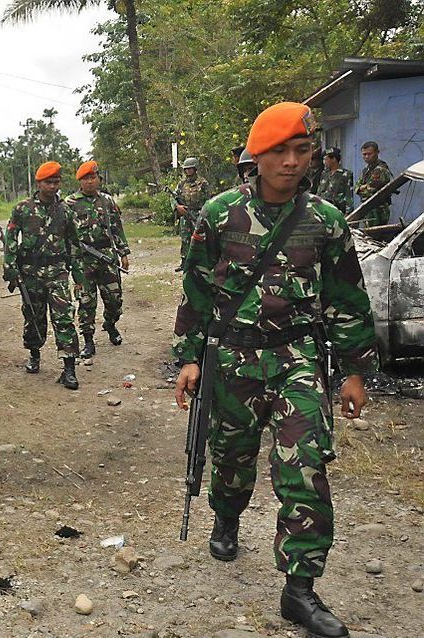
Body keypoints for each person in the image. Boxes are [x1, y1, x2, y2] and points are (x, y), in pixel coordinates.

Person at [173, 101, 377, 638]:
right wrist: (190, 357)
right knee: (233, 456)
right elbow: (196, 289)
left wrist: (354, 370)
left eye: (302, 150)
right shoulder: (218, 215)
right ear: (256, 156)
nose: (291, 162)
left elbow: (347, 300)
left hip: (297, 359)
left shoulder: (327, 223)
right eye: (279, 152)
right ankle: (227, 514)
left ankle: (300, 589)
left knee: (306, 462)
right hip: (234, 359)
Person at [2, 161, 80, 389]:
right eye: (48, 182)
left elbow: (73, 243)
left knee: (64, 317)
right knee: (34, 317)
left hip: (57, 273)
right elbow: (10, 241)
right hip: (30, 273)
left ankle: (69, 368)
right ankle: (34, 355)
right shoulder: (22, 208)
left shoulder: (65, 210)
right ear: (38, 183)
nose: (53, 186)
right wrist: (11, 270)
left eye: (56, 182)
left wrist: (77, 274)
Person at [65, 161, 130, 358]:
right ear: (80, 181)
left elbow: (117, 228)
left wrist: (123, 252)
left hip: (107, 258)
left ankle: (110, 324)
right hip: (83, 261)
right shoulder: (70, 203)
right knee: (86, 302)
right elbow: (63, 233)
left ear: (99, 180)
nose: (90, 182)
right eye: (86, 179)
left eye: (93, 178)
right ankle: (88, 341)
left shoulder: (107, 201)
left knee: (114, 300)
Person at [174, 157, 213, 271]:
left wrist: (204, 213)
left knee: (200, 237)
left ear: (195, 169)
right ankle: (184, 262)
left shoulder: (203, 183)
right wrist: (177, 207)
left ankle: (202, 261)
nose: (188, 171)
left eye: (190, 169)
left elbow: (210, 199)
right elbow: (173, 198)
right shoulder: (181, 184)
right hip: (185, 214)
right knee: (185, 239)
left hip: (199, 214)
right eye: (186, 169)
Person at [355, 141, 394, 227]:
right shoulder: (367, 169)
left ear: (377, 152)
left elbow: (370, 192)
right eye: (364, 154)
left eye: (369, 154)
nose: (366, 157)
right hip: (368, 209)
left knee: (376, 236)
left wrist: (362, 188)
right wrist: (361, 188)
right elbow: (356, 187)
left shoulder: (380, 169)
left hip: (378, 210)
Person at [316, 148, 354, 215]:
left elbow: (348, 194)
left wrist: (348, 212)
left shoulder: (345, 174)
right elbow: (319, 191)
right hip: (323, 210)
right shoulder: (324, 174)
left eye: (326, 159)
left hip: (337, 211)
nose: (324, 162)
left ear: (334, 159)